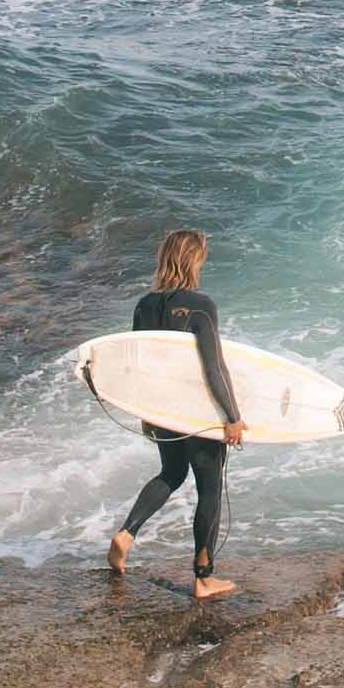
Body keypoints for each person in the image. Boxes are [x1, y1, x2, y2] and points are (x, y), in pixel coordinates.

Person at [107, 227, 247, 599]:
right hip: (197, 411)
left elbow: (137, 365)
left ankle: (127, 533)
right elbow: (213, 366)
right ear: (193, 260)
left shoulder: (144, 305)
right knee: (209, 488)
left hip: (161, 408)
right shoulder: (202, 306)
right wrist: (232, 416)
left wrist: (143, 410)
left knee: (171, 472)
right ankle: (204, 577)